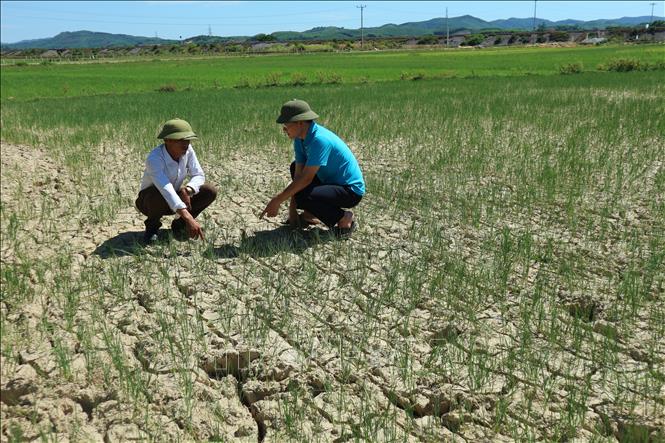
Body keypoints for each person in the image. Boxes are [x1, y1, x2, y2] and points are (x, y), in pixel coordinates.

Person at [260, 99, 365, 237]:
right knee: (295, 170)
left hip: (350, 191)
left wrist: (277, 200)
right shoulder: (300, 139)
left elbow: (306, 179)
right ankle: (310, 215)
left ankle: (344, 218)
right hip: (329, 182)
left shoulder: (319, 140)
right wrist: (292, 212)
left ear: (300, 123)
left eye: (286, 126)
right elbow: (298, 176)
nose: (284, 130)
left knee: (304, 195)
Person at [135, 118, 217, 243]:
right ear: (167, 140)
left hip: (176, 197)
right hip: (151, 202)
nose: (186, 144)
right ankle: (152, 228)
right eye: (181, 140)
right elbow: (166, 189)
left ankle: (179, 225)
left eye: (188, 140)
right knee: (157, 194)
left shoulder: (188, 150)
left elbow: (199, 174)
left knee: (209, 191)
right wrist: (188, 217)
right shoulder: (155, 158)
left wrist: (188, 190)